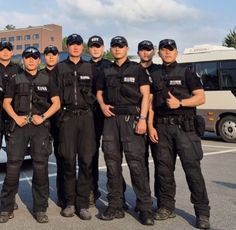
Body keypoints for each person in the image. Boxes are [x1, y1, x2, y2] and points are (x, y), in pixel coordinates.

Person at [148, 39, 210, 229]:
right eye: (164, 50)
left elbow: (201, 97)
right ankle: (166, 207)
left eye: (171, 49)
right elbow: (150, 103)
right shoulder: (154, 74)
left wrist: (180, 103)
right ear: (159, 53)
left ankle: (202, 213)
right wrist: (150, 125)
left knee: (193, 171)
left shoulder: (187, 72)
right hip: (162, 128)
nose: (167, 53)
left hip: (185, 128)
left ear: (177, 52)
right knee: (163, 171)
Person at [96, 36, 154, 225]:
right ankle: (115, 206)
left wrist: (143, 119)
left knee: (137, 165)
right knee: (112, 166)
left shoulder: (138, 69)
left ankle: (144, 208)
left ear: (127, 48)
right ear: (111, 49)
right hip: (111, 121)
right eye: (115, 46)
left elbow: (146, 96)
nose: (118, 49)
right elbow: (99, 92)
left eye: (121, 46)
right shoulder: (106, 70)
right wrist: (102, 105)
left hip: (132, 120)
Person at [0, 46, 60, 223]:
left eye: (34, 57)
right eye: (28, 57)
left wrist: (42, 117)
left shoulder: (47, 79)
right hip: (19, 126)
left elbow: (56, 104)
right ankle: (6, 208)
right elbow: (6, 103)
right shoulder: (15, 79)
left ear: (39, 60)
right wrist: (16, 118)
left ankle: (40, 209)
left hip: (40, 128)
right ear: (23, 60)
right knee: (12, 167)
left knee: (40, 168)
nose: (31, 60)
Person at [51, 34, 97, 220]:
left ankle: (83, 204)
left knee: (86, 162)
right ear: (67, 47)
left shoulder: (91, 68)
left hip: (86, 118)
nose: (76, 47)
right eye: (72, 44)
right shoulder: (58, 69)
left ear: (82, 47)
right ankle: (69, 203)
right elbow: (52, 97)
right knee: (68, 162)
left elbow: (100, 94)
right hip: (67, 118)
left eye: (79, 44)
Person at [87, 35, 111, 205]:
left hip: (109, 115)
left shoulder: (111, 66)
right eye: (92, 46)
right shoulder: (83, 67)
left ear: (103, 48)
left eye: (98, 46)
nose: (95, 49)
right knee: (91, 156)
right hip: (90, 116)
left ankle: (117, 194)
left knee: (112, 156)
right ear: (89, 49)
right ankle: (92, 191)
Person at [0, 41, 23, 214]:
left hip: (12, 118)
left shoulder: (18, 70)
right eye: (2, 49)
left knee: (13, 161)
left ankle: (9, 199)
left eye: (8, 50)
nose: (6, 52)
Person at [137, 40, 160, 206]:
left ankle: (161, 202)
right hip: (137, 121)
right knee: (140, 163)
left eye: (148, 50)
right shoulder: (133, 70)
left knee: (161, 164)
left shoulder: (159, 71)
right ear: (138, 52)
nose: (145, 53)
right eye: (142, 50)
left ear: (153, 52)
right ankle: (142, 200)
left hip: (158, 123)